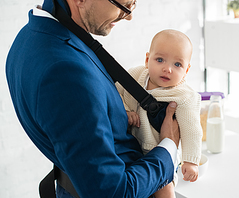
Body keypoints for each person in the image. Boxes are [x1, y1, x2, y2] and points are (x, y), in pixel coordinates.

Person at [5, 0, 180, 197]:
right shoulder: (65, 71)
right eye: (124, 5)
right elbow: (112, 192)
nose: (129, 15)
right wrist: (168, 147)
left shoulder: (30, 36)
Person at [116, 29, 203, 198]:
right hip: (130, 146)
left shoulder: (184, 96)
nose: (167, 69)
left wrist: (191, 161)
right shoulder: (136, 75)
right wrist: (125, 109)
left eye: (177, 64)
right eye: (160, 60)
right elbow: (115, 91)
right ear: (148, 59)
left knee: (164, 187)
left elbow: (192, 130)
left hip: (159, 154)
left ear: (187, 69)